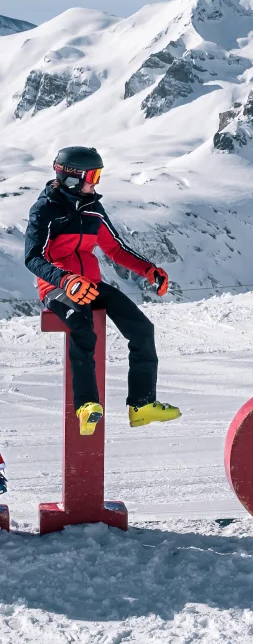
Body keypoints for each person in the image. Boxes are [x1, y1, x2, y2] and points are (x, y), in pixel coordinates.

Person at [25, 146, 182, 435]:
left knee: (142, 328)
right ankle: (86, 406)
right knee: (83, 326)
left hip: (91, 283)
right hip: (58, 286)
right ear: (72, 177)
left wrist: (149, 270)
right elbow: (33, 257)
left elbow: (116, 249)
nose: (95, 183)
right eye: (92, 176)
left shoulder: (93, 209)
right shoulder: (46, 209)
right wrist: (66, 280)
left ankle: (142, 405)